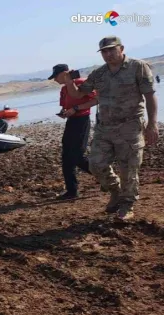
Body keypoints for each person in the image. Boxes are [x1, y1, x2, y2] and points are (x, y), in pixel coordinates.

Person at [63, 36, 158, 220]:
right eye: (104, 51)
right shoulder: (99, 74)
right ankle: (115, 191)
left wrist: (152, 124)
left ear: (121, 48)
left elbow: (150, 96)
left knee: (128, 168)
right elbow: (78, 94)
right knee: (95, 164)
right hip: (105, 127)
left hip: (130, 125)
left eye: (111, 50)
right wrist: (69, 81)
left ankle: (127, 205)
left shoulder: (138, 67)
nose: (107, 54)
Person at [48, 63, 99, 200]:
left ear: (64, 74)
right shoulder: (64, 89)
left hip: (82, 121)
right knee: (66, 156)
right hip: (72, 122)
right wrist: (64, 113)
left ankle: (104, 177)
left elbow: (96, 100)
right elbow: (67, 106)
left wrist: (76, 108)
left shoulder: (81, 83)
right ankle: (72, 190)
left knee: (77, 156)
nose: (55, 80)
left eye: (55, 76)